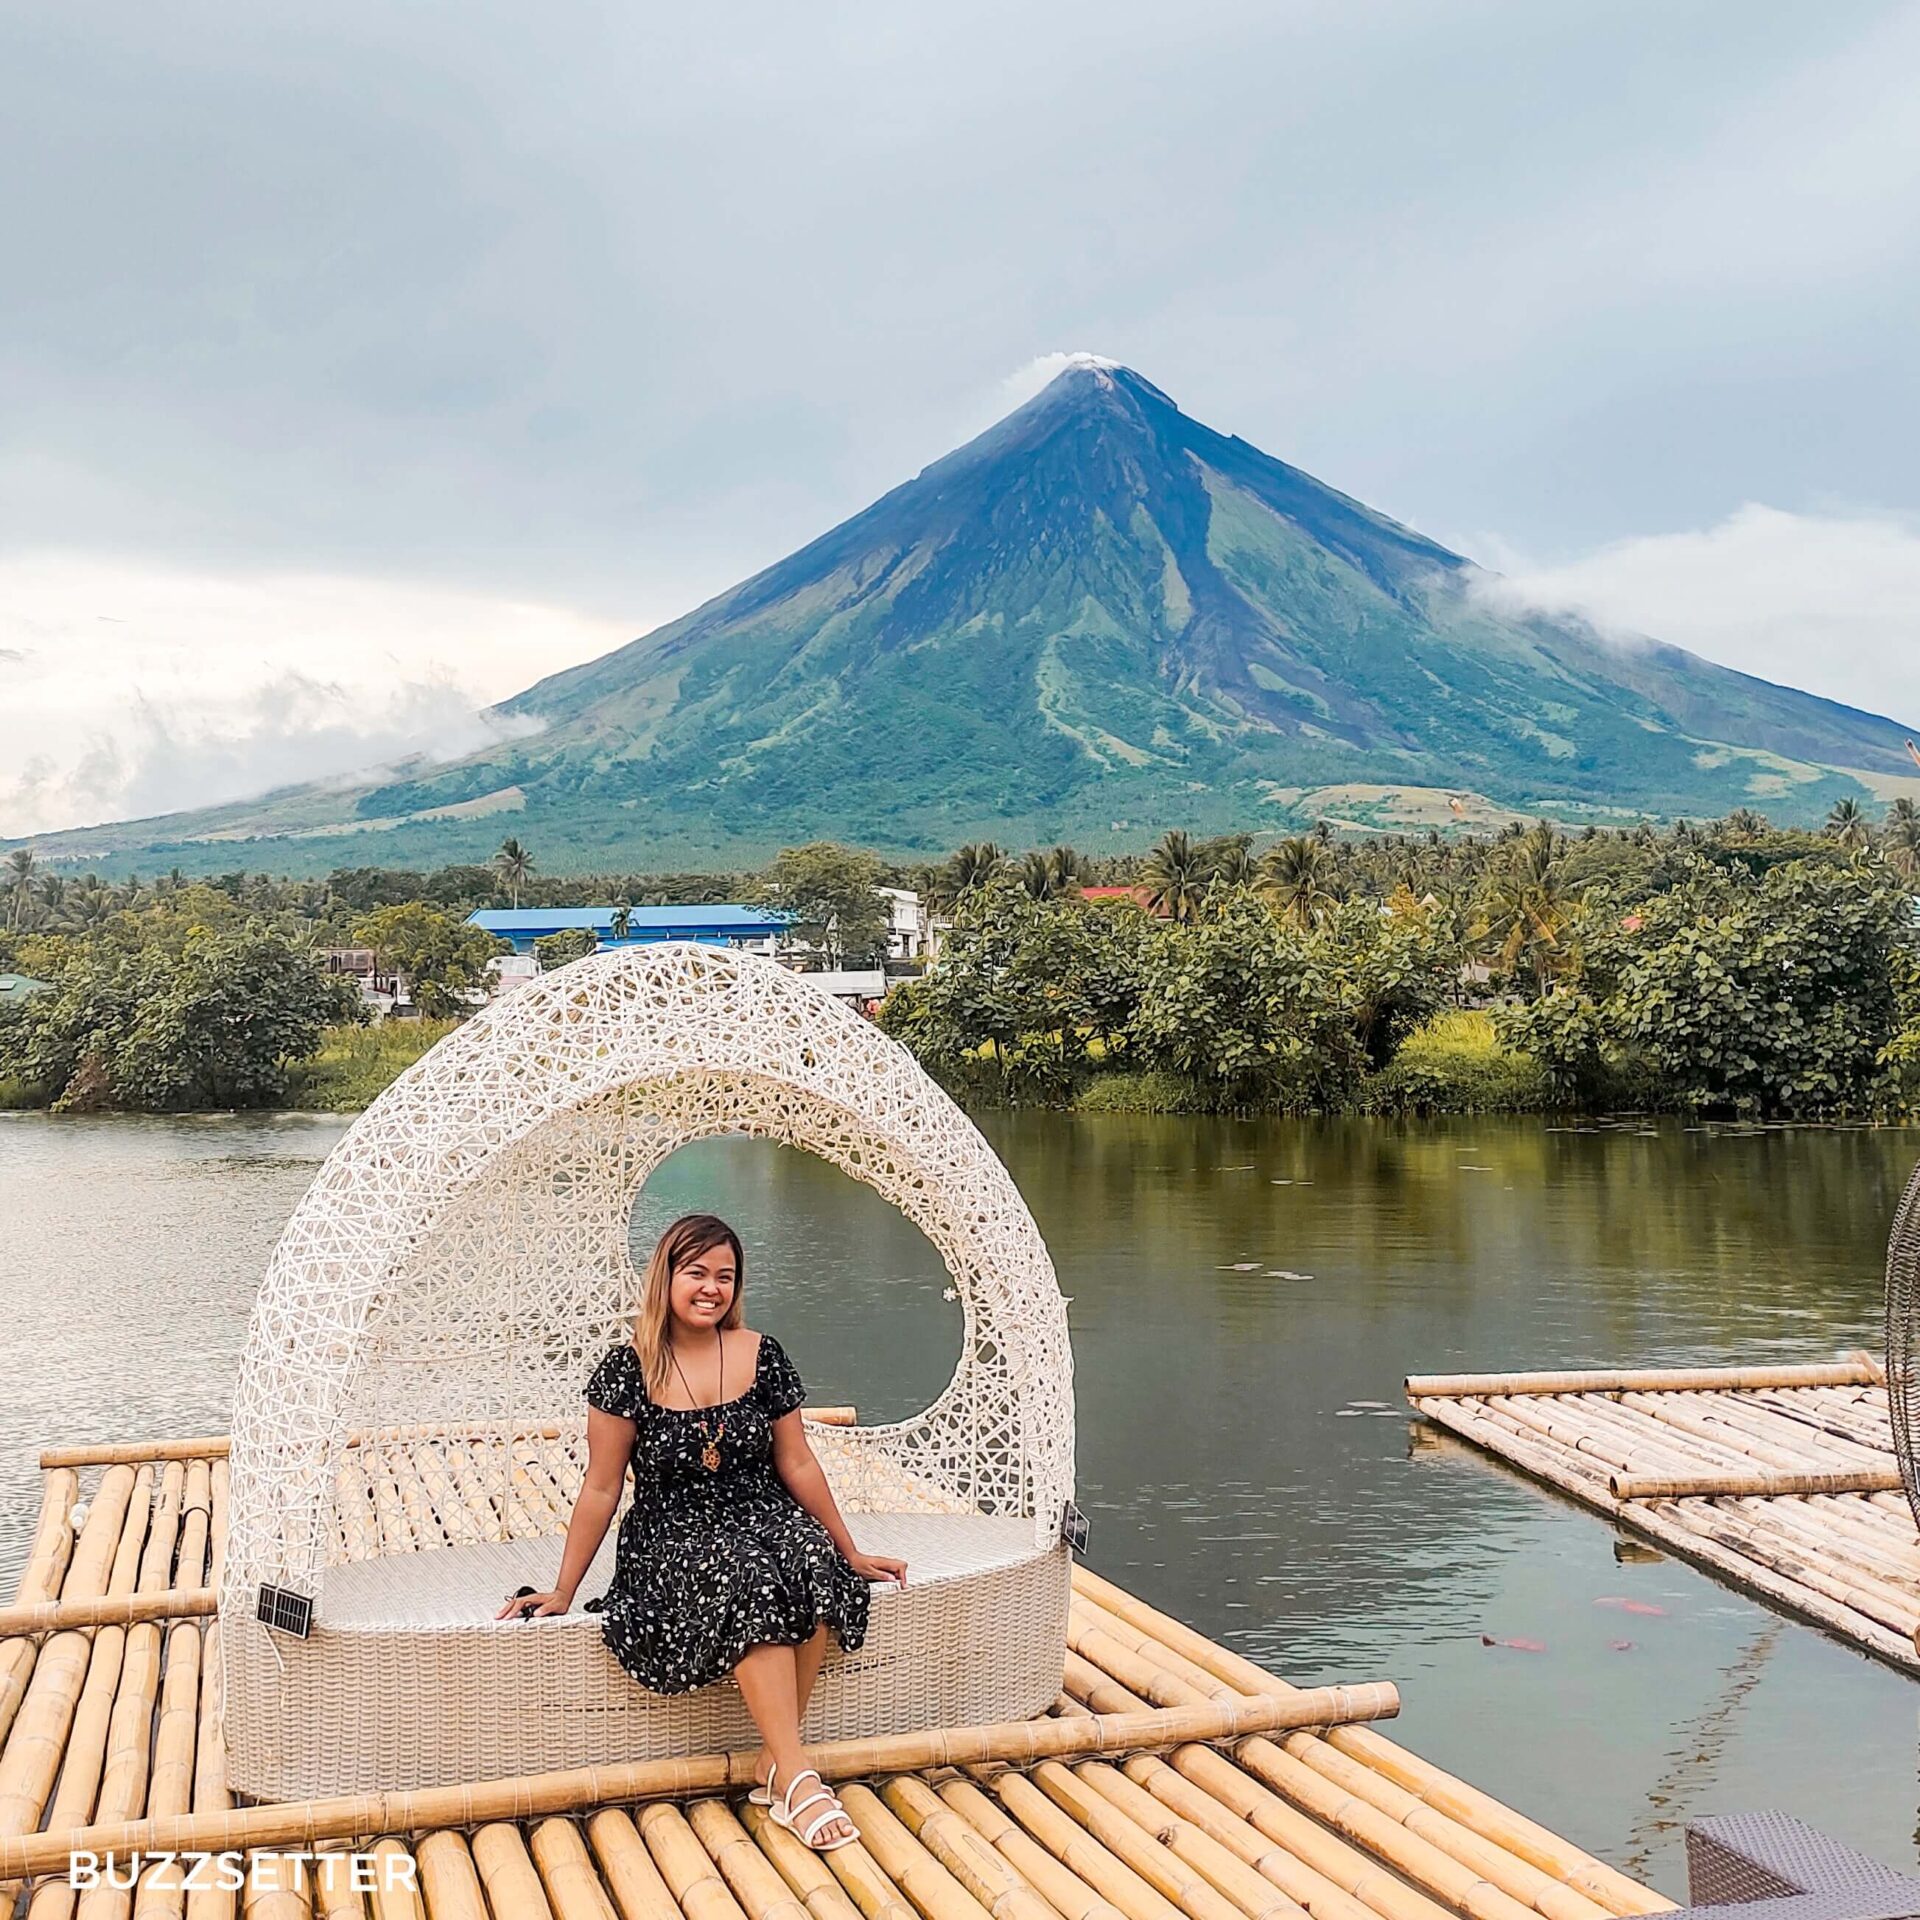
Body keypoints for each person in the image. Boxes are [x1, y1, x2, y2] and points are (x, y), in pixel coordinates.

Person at [499, 1211, 907, 1851]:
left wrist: (849, 1548)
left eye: (725, 1276)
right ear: (665, 1276)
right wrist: (562, 1590)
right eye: (696, 1273)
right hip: (672, 1529)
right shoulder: (625, 1369)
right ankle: (799, 1777)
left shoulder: (760, 1353)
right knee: (744, 1574)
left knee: (814, 1561)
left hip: (761, 1510)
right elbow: (602, 1487)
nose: (711, 1288)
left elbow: (796, 1460)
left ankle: (774, 1764)